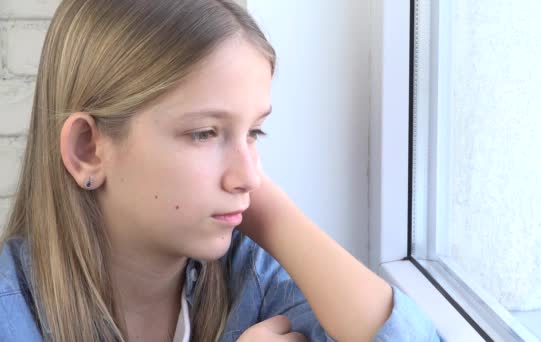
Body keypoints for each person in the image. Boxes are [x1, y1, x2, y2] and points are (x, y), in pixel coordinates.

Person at [0, 0, 441, 341]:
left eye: (254, 132)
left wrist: (275, 217)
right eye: (204, 134)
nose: (249, 176)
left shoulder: (253, 281)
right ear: (87, 149)